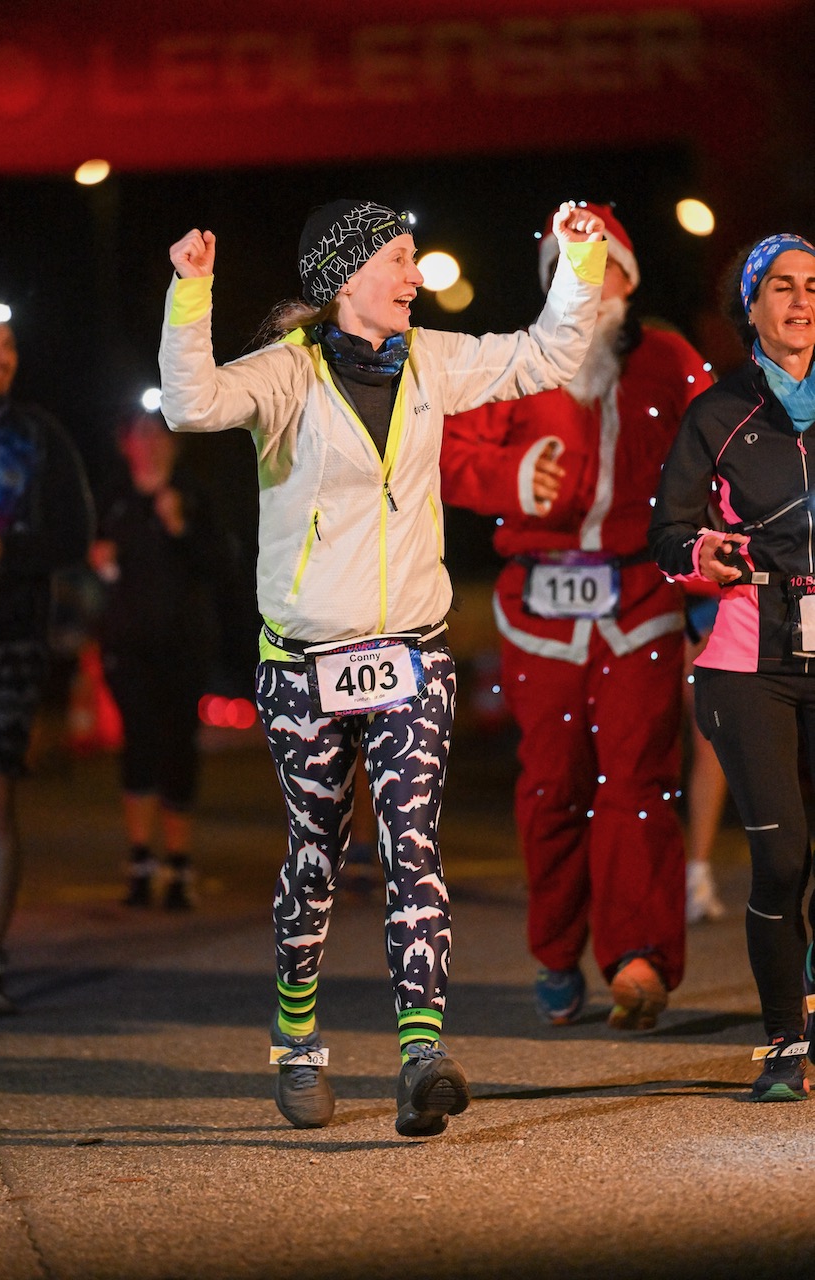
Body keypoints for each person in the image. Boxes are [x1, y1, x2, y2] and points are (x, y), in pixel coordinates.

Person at [159, 198, 607, 1135]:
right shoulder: (287, 375)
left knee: (413, 847)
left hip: (411, 649)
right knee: (316, 856)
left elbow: (547, 352)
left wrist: (582, 259)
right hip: (305, 660)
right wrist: (191, 289)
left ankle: (420, 1055)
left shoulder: (435, 362)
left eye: (414, 259)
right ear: (345, 275)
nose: (415, 276)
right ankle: (296, 1044)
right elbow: (194, 403)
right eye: (401, 259)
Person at [440, 203, 714, 1031]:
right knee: (553, 783)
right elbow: (443, 448)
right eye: (569, 270)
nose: (586, 286)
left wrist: (713, 582)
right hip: (540, 605)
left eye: (601, 269)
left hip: (640, 599)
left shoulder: (669, 360)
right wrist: (514, 479)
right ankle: (556, 949)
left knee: (637, 779)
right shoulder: (518, 363)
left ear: (628, 281)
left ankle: (638, 957)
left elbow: (724, 457)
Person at [649, 232, 815, 1101]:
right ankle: (785, 1041)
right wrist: (703, 555)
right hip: (750, 658)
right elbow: (667, 534)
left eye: (813, 287)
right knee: (783, 861)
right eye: (781, 287)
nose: (800, 302)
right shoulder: (717, 414)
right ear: (748, 307)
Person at [0, 306, 93, 1016]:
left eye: (7, 344)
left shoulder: (38, 435)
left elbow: (76, 532)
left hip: (10, 637)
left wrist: (5, 551)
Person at [89, 410, 237, 910]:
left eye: (160, 434)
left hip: (184, 644)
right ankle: (139, 858)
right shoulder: (111, 497)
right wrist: (97, 559)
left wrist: (182, 528)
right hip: (126, 645)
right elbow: (82, 562)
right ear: (123, 441)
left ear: (175, 445)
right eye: (141, 434)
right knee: (138, 741)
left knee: (179, 744)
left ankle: (178, 862)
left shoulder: (194, 494)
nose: (151, 443)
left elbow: (224, 564)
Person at [682, 585, 728, 924]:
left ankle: (697, 877)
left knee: (708, 742)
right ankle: (695, 878)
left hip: (708, 611)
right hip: (700, 612)